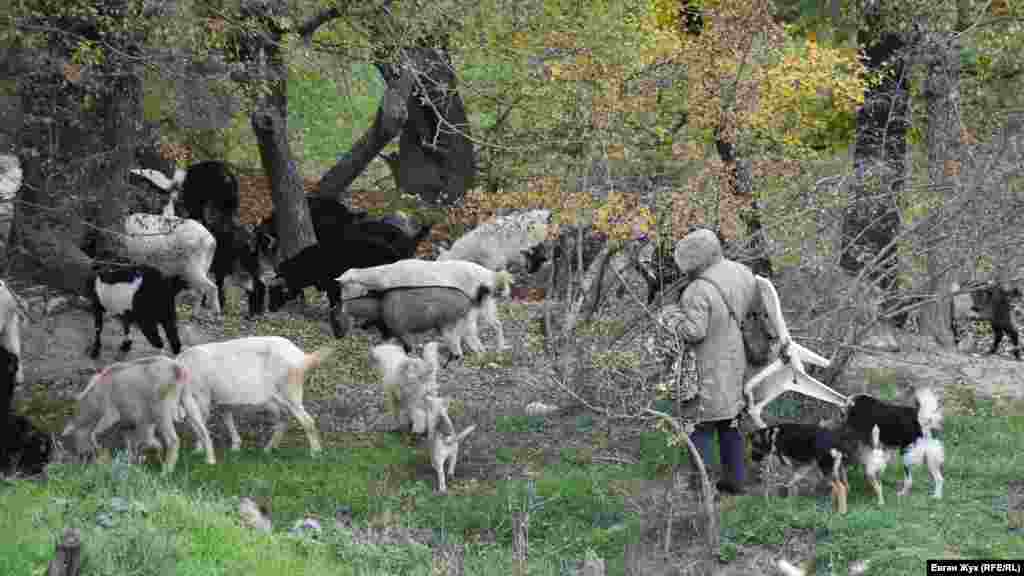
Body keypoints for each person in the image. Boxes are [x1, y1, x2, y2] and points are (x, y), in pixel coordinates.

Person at [673, 228, 758, 495]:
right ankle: (736, 481)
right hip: (736, 359)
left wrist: (672, 319)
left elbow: (694, 332)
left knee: (700, 425)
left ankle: (701, 487)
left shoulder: (698, 289)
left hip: (707, 365)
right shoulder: (743, 272)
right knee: (730, 421)